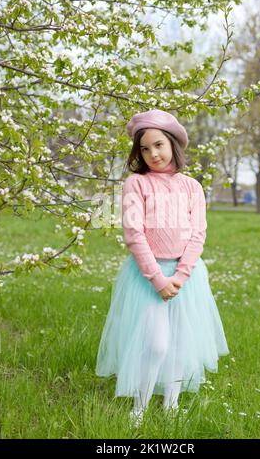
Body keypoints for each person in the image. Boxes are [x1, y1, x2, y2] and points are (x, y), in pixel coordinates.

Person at [95, 109, 229, 427]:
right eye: (144, 148)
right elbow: (134, 234)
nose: (153, 153)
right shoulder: (136, 184)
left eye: (158, 145)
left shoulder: (191, 187)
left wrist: (181, 276)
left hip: (186, 277)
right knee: (155, 344)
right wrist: (158, 279)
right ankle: (139, 406)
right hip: (148, 277)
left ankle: (171, 403)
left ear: (172, 144)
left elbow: (198, 234)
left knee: (180, 344)